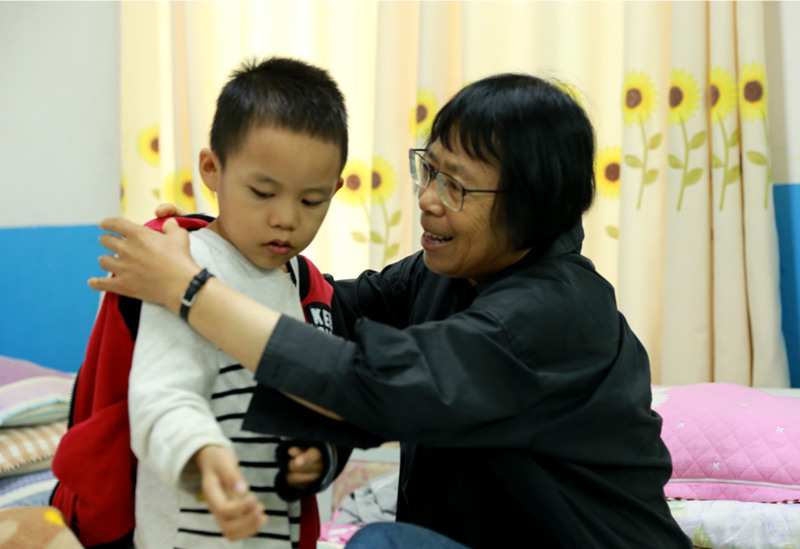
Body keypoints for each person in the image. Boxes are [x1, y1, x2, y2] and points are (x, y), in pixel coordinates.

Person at [90, 73, 692, 548]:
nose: (427, 199)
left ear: (533, 208)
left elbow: (376, 385)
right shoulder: (446, 273)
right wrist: (212, 249)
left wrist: (191, 289)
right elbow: (319, 311)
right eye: (428, 169)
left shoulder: (548, 313)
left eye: (455, 185)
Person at [125, 56, 350, 549]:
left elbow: (323, 403)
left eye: (312, 201)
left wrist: (317, 455)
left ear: (335, 189)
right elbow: (160, 394)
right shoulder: (183, 264)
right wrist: (203, 453)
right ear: (212, 169)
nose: (286, 218)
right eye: (263, 192)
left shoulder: (303, 281)